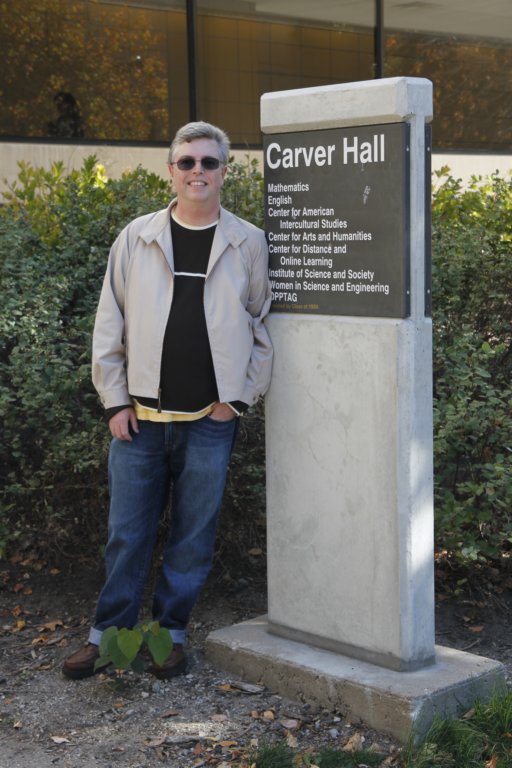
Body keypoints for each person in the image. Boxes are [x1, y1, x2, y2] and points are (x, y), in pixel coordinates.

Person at [62, 121, 273, 680]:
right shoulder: (137, 237)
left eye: (208, 162)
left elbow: (262, 324)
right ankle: (108, 637)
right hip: (140, 421)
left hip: (210, 420)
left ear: (224, 171)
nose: (197, 171)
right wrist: (114, 402)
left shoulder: (248, 242)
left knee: (192, 537)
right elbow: (109, 321)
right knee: (126, 534)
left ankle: (169, 636)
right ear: (171, 171)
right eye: (187, 162)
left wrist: (238, 400)